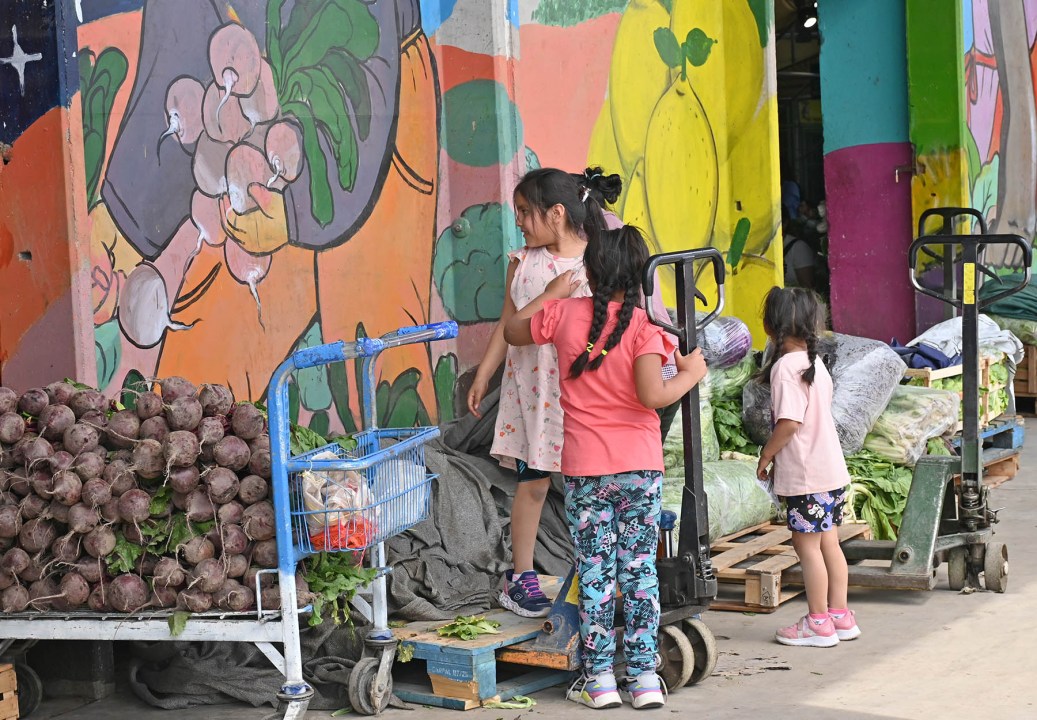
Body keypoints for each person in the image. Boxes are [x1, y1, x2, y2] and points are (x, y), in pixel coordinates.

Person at [504, 225, 708, 709]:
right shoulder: (647, 328)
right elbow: (653, 396)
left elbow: (513, 332)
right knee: (639, 572)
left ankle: (598, 681)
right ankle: (643, 679)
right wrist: (693, 373)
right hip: (639, 468)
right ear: (641, 277)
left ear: (590, 273)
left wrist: (550, 293)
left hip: (585, 471)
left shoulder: (562, 315)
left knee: (595, 574)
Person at [466, 168, 604, 618]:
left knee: (589, 484)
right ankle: (521, 576)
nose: (520, 222)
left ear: (557, 213)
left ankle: (597, 575)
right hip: (532, 395)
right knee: (534, 482)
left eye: (526, 212)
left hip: (581, 396)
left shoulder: (596, 262)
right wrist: (485, 373)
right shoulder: (522, 262)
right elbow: (507, 323)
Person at [754, 287, 861, 648]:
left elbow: (789, 423)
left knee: (807, 547)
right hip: (830, 471)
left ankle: (817, 622)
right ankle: (840, 616)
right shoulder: (815, 364)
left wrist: (767, 455)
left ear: (770, 326)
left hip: (806, 475)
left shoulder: (785, 367)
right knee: (829, 543)